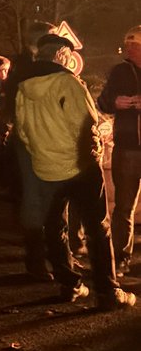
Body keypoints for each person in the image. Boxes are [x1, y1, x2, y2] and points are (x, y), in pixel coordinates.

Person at [15, 33, 134, 310]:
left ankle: (70, 283)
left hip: (45, 169)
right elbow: (86, 123)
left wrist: (42, 153)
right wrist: (95, 152)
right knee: (98, 228)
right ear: (62, 56)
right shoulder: (68, 83)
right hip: (80, 167)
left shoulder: (23, 88)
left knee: (55, 226)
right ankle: (108, 291)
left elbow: (22, 131)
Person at [96, 26, 141, 277]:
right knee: (124, 206)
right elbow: (102, 101)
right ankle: (120, 258)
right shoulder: (120, 72)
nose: (128, 49)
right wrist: (114, 103)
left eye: (134, 45)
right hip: (127, 148)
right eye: (128, 44)